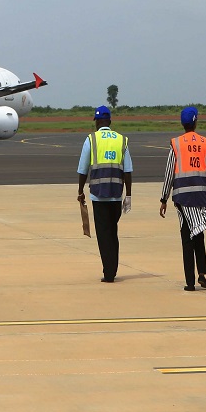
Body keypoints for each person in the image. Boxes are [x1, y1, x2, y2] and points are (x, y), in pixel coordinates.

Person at [160, 107, 206, 291]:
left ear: (182, 123)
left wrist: (163, 198)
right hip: (201, 194)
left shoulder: (176, 144)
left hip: (182, 196)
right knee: (199, 232)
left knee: (186, 236)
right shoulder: (205, 143)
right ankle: (202, 273)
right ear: (195, 122)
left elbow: (169, 172)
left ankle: (189, 281)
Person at [77, 106, 133, 283]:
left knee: (103, 234)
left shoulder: (91, 140)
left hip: (99, 195)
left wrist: (80, 191)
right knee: (112, 232)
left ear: (97, 122)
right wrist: (129, 196)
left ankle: (109, 272)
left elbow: (82, 169)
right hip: (116, 194)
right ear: (109, 121)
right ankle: (112, 268)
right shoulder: (121, 140)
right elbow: (128, 171)